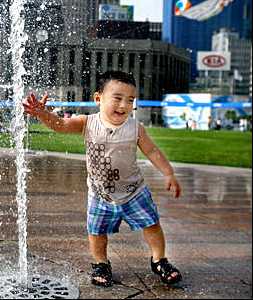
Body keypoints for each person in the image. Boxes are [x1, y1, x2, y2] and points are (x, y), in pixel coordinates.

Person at [22, 70, 182, 287]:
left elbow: (152, 151)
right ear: (98, 99)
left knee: (152, 225)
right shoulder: (87, 122)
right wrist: (43, 115)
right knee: (96, 232)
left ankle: (159, 260)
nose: (124, 105)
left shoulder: (135, 128)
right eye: (117, 98)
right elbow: (61, 125)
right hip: (100, 194)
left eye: (130, 100)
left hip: (134, 191)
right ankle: (101, 264)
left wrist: (168, 173)